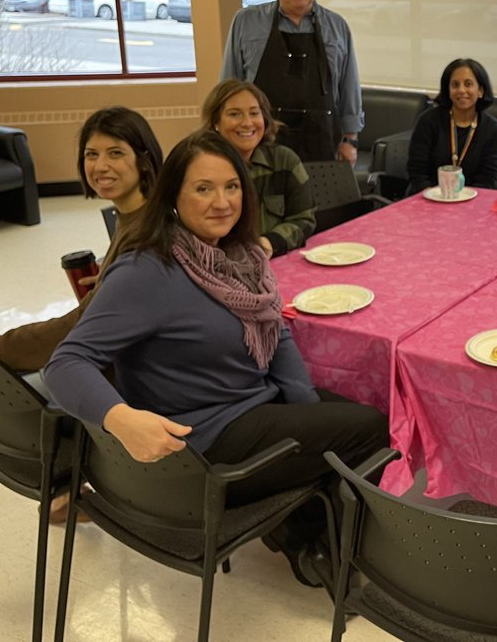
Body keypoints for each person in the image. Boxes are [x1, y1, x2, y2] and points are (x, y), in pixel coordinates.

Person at [43, 131, 388, 588]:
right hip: (204, 441)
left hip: (250, 403)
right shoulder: (148, 270)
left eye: (232, 186)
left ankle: (295, 528)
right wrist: (120, 418)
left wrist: (306, 408)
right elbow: (64, 363)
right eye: (203, 188)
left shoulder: (241, 257)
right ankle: (313, 545)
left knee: (345, 418)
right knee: (370, 428)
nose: (222, 202)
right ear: (173, 195)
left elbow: (275, 329)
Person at [0, 107, 163, 539]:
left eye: (115, 153)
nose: (100, 165)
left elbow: (71, 330)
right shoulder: (136, 220)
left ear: (143, 159)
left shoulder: (148, 233)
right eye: (92, 154)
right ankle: (60, 492)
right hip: (106, 359)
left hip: (123, 378)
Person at [221, 0, 363, 164]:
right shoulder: (246, 22)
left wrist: (350, 140)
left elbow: (348, 87)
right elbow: (228, 87)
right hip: (259, 146)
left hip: (323, 146)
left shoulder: (337, 27)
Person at [201, 78, 316, 257]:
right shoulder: (200, 168)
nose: (247, 123)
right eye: (235, 114)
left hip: (274, 260)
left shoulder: (284, 160)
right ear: (215, 122)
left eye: (254, 113)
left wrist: (269, 243)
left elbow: (304, 219)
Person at [407, 58, 497, 194]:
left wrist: (465, 200)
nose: (461, 90)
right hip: (426, 197)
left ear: (481, 91)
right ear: (448, 90)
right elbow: (417, 171)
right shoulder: (428, 121)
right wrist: (435, 196)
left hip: (473, 200)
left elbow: (488, 179)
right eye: (455, 85)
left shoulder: (494, 130)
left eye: (468, 84)